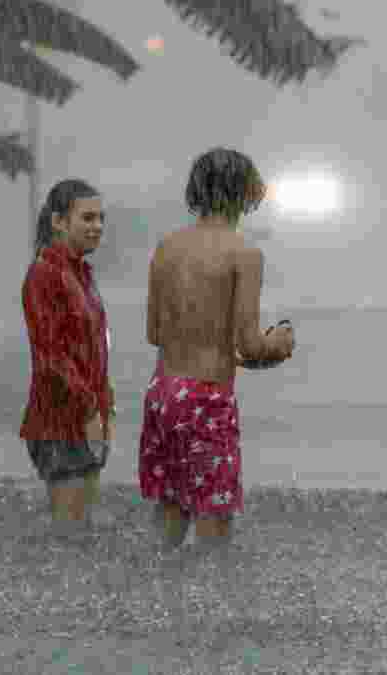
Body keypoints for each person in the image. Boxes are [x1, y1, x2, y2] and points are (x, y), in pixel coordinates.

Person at [138, 148, 294, 554]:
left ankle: (157, 587)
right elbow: (249, 342)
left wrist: (224, 350)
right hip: (206, 397)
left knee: (172, 501)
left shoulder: (167, 247)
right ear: (246, 194)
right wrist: (277, 343)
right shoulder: (245, 254)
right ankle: (212, 593)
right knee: (214, 506)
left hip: (163, 392)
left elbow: (155, 332)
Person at [20, 179, 114, 533]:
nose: (98, 227)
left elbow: (93, 345)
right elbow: (51, 355)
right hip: (58, 417)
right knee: (70, 532)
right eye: (88, 218)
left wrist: (105, 403)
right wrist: (89, 407)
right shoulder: (45, 274)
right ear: (58, 221)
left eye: (101, 218)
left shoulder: (81, 273)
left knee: (82, 529)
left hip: (87, 413)